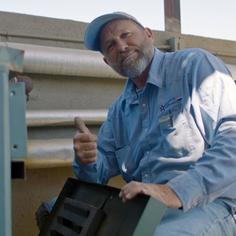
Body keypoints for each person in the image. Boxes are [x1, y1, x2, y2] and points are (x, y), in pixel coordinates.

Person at [71, 12, 236, 235]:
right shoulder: (119, 110)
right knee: (57, 212)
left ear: (149, 34)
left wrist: (173, 192)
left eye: (126, 35)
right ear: (107, 61)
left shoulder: (194, 66)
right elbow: (97, 175)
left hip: (212, 202)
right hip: (147, 206)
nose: (121, 47)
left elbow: (232, 139)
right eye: (110, 45)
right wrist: (87, 161)